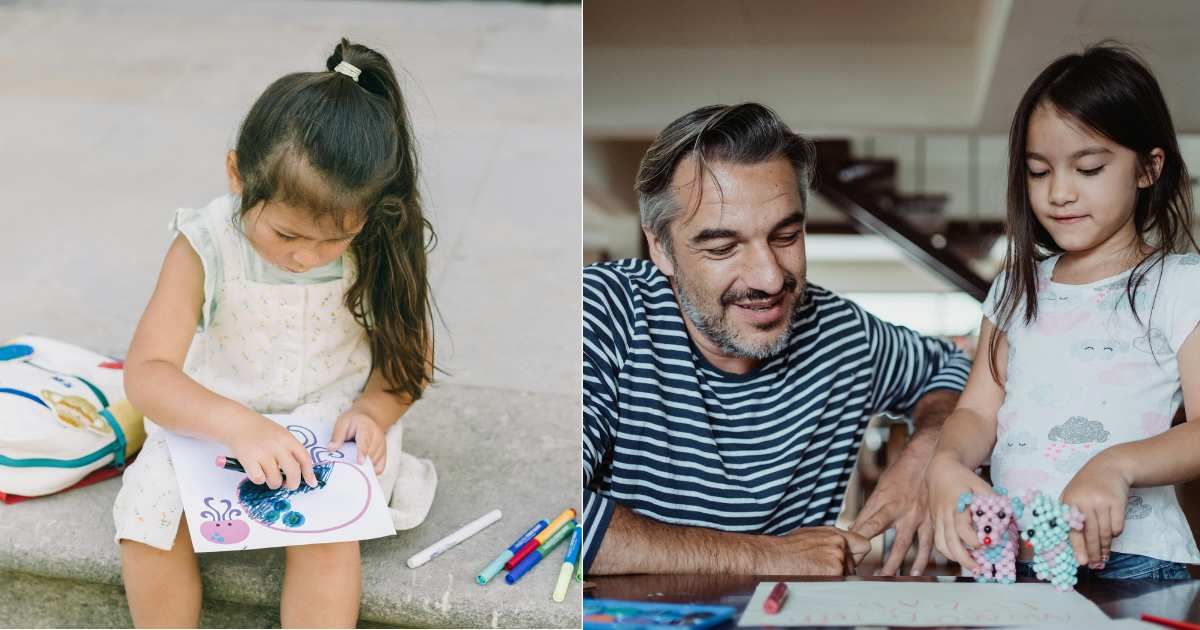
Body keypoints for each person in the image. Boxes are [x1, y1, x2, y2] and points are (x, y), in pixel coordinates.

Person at [112, 39, 437, 627]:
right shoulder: (204, 244)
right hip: (212, 419)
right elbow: (148, 372)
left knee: (328, 532)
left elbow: (407, 361)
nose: (305, 258)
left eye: (331, 240)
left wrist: (373, 411)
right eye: (287, 236)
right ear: (238, 174)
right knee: (150, 518)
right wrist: (236, 425)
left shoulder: (380, 242)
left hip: (327, 423)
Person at [582, 103, 971, 577]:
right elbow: (541, 511)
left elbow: (955, 366)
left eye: (786, 236)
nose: (769, 279)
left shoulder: (840, 335)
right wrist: (771, 555)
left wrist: (929, 453)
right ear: (661, 247)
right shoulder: (602, 311)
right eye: (723, 247)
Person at [927, 43, 1200, 581]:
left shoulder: (1182, 281)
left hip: (1136, 561)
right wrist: (946, 463)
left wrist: (1114, 465)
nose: (1059, 193)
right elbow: (978, 413)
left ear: (1148, 168)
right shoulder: (1014, 286)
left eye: (1089, 167)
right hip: (1013, 560)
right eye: (1038, 171)